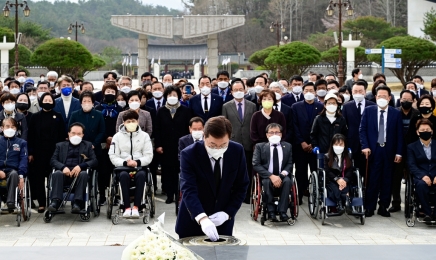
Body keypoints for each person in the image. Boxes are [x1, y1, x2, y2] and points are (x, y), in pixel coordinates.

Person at [176, 116, 249, 241]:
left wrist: (227, 213)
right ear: (204, 136)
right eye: (213, 145)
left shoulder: (237, 151)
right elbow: (188, 189)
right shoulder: (189, 154)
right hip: (192, 220)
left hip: (222, 221)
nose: (218, 149)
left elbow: (241, 186)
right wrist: (202, 218)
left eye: (223, 145)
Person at [360, 85, 403, 217]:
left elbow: (399, 134)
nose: (382, 98)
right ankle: (369, 207)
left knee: (387, 179)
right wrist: (365, 146)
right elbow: (362, 131)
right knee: (372, 179)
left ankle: (383, 206)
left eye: (384, 96)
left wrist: (399, 152)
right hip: (373, 150)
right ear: (375, 97)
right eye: (379, 96)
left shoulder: (396, 113)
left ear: (389, 98)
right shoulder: (368, 111)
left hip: (389, 150)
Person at [109, 110, 153, 217]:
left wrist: (137, 162)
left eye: (133, 121)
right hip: (123, 167)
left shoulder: (145, 136)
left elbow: (148, 155)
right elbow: (113, 155)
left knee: (142, 176)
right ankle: (127, 207)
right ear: (123, 122)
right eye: (128, 121)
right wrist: (125, 162)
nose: (131, 123)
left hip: (139, 167)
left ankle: (137, 207)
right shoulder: (117, 137)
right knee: (123, 176)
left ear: (138, 121)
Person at [154, 86, 192, 204]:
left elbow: (188, 129)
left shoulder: (185, 110)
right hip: (166, 146)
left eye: (174, 95)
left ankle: (179, 194)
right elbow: (157, 129)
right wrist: (158, 145)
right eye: (170, 95)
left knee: (180, 170)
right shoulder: (161, 111)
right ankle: (170, 195)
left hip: (181, 146)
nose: (172, 97)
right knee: (167, 171)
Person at [28, 93, 65, 213]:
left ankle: (55, 201)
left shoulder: (58, 116)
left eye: (50, 100)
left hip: (54, 152)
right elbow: (31, 136)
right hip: (39, 152)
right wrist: (31, 153)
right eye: (45, 100)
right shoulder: (35, 117)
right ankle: (42, 203)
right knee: (38, 178)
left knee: (54, 176)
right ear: (41, 101)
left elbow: (62, 135)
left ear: (53, 102)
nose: (48, 102)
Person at [48, 122, 98, 213]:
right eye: (73, 133)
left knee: (84, 174)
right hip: (63, 175)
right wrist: (63, 167)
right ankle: (55, 201)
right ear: (69, 133)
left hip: (79, 176)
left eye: (79, 134)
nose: (76, 136)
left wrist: (80, 166)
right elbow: (53, 160)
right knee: (57, 173)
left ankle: (77, 202)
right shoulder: (60, 145)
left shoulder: (87, 145)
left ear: (83, 135)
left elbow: (94, 161)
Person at [222, 79, 257, 203]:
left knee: (247, 170)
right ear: (231, 92)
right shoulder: (226, 106)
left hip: (248, 143)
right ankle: (233, 195)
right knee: (232, 171)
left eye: (240, 89)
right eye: (235, 90)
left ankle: (247, 195)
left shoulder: (252, 105)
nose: (238, 92)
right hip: (233, 143)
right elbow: (224, 126)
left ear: (245, 90)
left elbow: (254, 125)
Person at [252, 123, 293, 221]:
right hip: (267, 176)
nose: (274, 135)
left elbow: (290, 164)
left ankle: (283, 212)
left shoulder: (287, 146)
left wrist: (281, 176)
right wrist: (271, 176)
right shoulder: (260, 147)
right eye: (271, 132)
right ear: (267, 135)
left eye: (277, 132)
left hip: (282, 175)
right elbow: (256, 164)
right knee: (266, 182)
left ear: (281, 134)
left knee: (287, 182)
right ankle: (271, 211)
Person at [291, 82, 324, 204]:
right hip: (300, 146)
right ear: (303, 92)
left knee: (316, 170)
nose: (309, 93)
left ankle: (317, 195)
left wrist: (313, 143)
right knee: (300, 171)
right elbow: (294, 126)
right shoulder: (296, 106)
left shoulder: (321, 106)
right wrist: (302, 142)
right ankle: (298, 196)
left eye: (311, 90)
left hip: (315, 146)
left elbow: (321, 127)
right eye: (306, 90)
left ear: (315, 92)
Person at [95, 82, 123, 205]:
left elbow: (121, 127)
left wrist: (113, 138)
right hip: (102, 143)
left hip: (117, 143)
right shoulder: (98, 109)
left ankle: (116, 195)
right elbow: (97, 127)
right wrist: (106, 138)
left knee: (115, 170)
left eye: (112, 92)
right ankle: (102, 195)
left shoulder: (120, 109)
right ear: (103, 93)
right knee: (102, 170)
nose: (110, 94)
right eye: (108, 91)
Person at [342, 81, 376, 176]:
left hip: (369, 142)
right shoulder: (346, 106)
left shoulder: (372, 105)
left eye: (360, 91)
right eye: (355, 91)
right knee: (353, 170)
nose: (358, 93)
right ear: (352, 92)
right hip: (353, 142)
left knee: (368, 170)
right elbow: (344, 125)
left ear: (365, 92)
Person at [407, 118, 436, 221]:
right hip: (420, 175)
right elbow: (411, 165)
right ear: (417, 132)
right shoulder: (411, 147)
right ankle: (427, 212)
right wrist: (423, 176)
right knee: (421, 185)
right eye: (422, 130)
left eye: (427, 129)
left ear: (432, 131)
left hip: (435, 173)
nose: (425, 132)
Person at [0, 117, 27, 210]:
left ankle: (10, 201)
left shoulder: (21, 142)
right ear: (2, 128)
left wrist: (21, 176)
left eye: (13, 127)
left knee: (15, 174)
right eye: (7, 126)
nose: (10, 129)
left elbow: (23, 159)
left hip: (12, 170)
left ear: (16, 129)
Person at [68, 91, 106, 157]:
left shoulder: (98, 114)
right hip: (78, 146)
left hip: (95, 147)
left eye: (89, 101)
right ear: (81, 103)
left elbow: (102, 131)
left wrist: (94, 144)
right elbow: (70, 129)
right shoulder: (74, 114)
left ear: (93, 103)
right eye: (84, 101)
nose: (86, 103)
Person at [324, 133, 353, 214]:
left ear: (344, 145)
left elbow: (350, 170)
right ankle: (341, 202)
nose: (338, 146)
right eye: (336, 144)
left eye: (341, 144)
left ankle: (346, 202)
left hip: (345, 179)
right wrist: (337, 180)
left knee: (345, 185)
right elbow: (327, 171)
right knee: (335, 187)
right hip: (332, 180)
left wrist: (345, 180)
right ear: (332, 145)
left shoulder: (348, 156)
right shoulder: (327, 156)